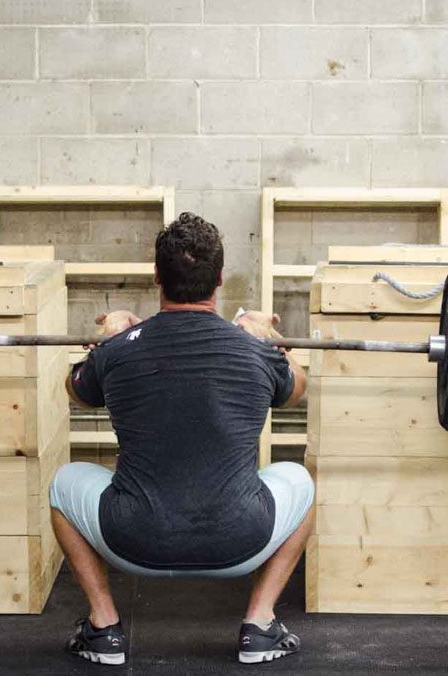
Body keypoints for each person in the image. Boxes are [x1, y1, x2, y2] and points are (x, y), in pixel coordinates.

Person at [49, 212, 313, 666]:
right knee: (301, 483)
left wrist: (104, 338)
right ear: (220, 280)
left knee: (63, 483)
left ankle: (103, 628)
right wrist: (271, 339)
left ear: (157, 277)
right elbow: (296, 390)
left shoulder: (120, 347)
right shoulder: (255, 350)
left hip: (133, 540)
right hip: (240, 541)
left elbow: (76, 392)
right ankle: (260, 626)